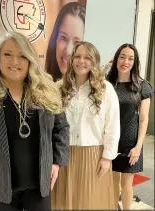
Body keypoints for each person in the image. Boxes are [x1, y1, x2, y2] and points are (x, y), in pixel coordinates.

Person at [0, 31, 70, 211]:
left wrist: (56, 161)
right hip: (0, 183)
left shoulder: (46, 90)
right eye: (8, 54)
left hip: (40, 183)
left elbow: (62, 127)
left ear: (30, 60)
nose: (15, 62)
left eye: (22, 56)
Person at [51, 41, 120, 210]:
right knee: (64, 203)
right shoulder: (59, 88)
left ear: (94, 61)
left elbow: (113, 125)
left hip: (93, 155)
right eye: (78, 56)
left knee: (90, 202)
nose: (81, 61)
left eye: (87, 57)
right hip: (63, 154)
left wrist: (107, 157)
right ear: (71, 59)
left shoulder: (105, 89)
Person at [107, 43, 153, 210]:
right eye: (122, 57)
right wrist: (106, 65)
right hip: (110, 142)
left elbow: (144, 119)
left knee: (127, 184)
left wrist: (138, 147)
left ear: (135, 62)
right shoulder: (107, 84)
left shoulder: (142, 86)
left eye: (130, 58)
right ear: (116, 58)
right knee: (112, 183)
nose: (126, 61)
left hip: (130, 143)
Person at [45, 2, 86, 81]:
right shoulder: (42, 86)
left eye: (77, 43)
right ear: (55, 38)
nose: (68, 51)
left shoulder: (94, 89)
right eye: (63, 38)